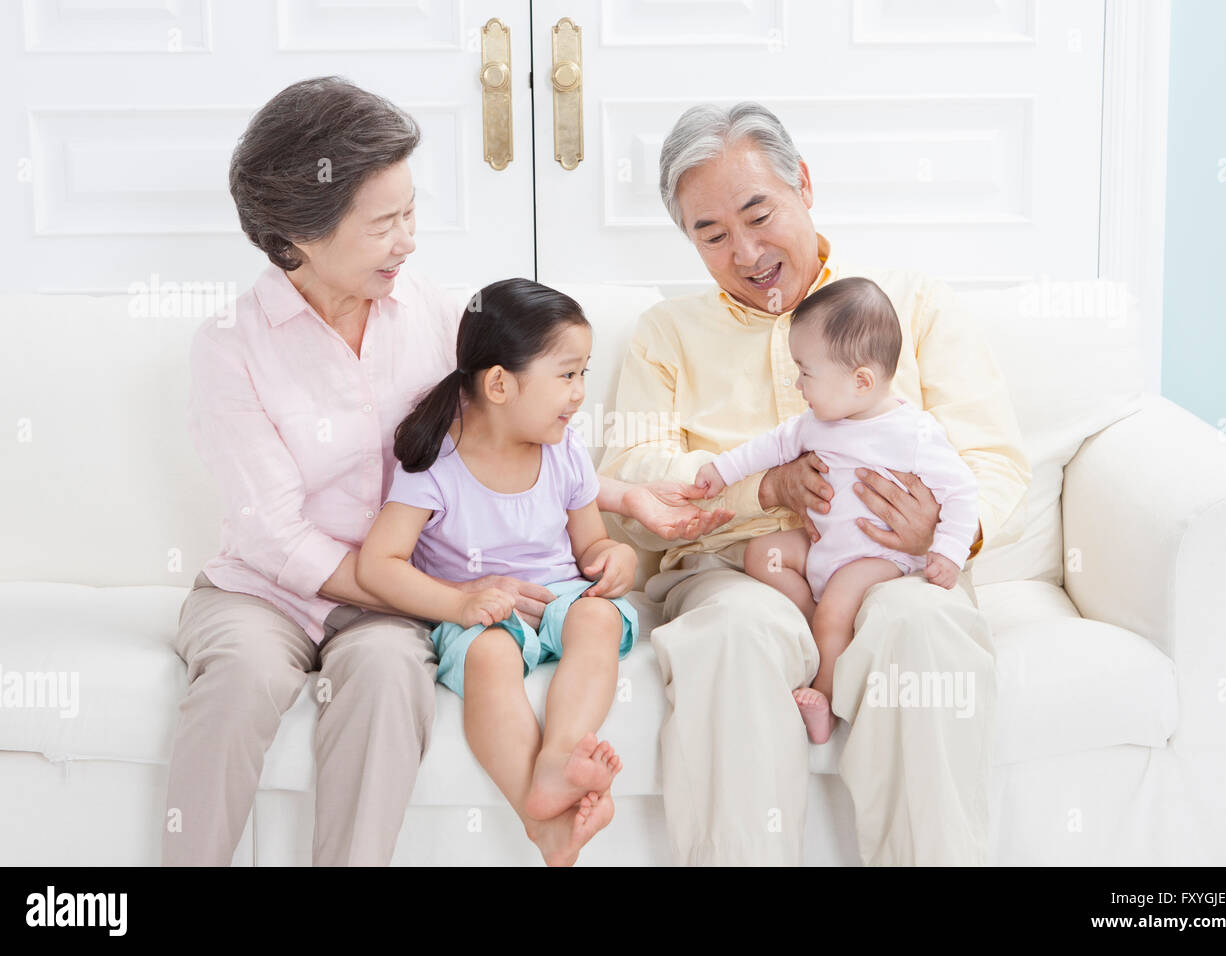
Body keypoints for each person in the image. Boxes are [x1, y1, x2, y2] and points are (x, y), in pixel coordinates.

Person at [166, 76, 727, 866]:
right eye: (384, 224)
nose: (409, 240)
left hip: (397, 604)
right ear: (302, 234)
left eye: (410, 214)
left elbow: (509, 444)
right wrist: (439, 594)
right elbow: (271, 532)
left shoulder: (431, 313)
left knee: (388, 675)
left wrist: (623, 496)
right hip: (267, 592)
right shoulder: (231, 346)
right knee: (239, 680)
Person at [598, 101, 1031, 866]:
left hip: (891, 563)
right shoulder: (665, 336)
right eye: (713, 234)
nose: (748, 251)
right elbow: (632, 475)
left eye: (759, 214)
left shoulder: (908, 303)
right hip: (736, 569)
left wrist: (939, 532)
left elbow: (993, 458)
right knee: (734, 635)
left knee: (923, 628)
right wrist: (760, 491)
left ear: (803, 183)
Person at [356, 279, 638, 867]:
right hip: (480, 613)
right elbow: (377, 564)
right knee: (488, 656)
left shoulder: (563, 449)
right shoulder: (436, 461)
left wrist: (617, 559)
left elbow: (592, 547)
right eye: (567, 374)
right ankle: (539, 820)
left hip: (560, 597)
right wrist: (459, 605)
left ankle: (558, 759)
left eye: (585, 373)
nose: (580, 393)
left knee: (599, 618)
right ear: (500, 383)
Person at [694, 277, 978, 744]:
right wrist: (720, 472)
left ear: (860, 381)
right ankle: (809, 609)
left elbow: (963, 490)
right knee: (762, 554)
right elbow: (769, 447)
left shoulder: (911, 433)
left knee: (838, 607)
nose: (796, 383)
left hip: (874, 557)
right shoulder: (815, 422)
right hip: (821, 547)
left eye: (806, 372)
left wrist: (948, 551)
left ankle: (822, 697)